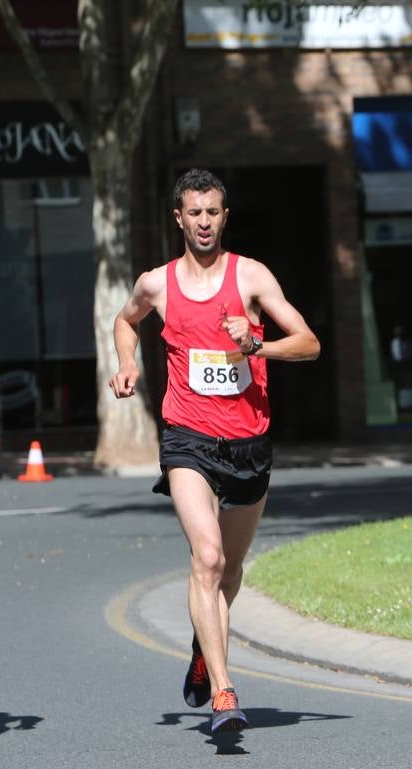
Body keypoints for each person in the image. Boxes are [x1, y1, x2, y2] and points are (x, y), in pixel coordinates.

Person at [110, 169, 320, 734]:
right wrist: (128, 364)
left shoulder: (251, 277)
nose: (204, 222)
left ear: (225, 216)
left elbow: (309, 343)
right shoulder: (157, 284)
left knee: (230, 569)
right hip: (188, 438)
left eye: (213, 212)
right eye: (194, 213)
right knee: (207, 558)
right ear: (178, 218)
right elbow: (125, 322)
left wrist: (258, 344)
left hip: (249, 441)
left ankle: (206, 648)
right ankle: (225, 692)